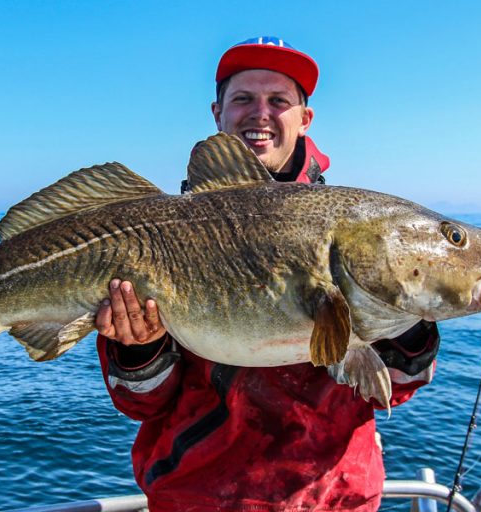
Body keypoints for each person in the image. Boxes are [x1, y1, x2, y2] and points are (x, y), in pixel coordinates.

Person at [94, 36, 439, 512]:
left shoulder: (360, 232)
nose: (260, 113)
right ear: (218, 114)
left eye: (278, 101)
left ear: (305, 119)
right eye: (243, 99)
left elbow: (397, 387)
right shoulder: (156, 234)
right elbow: (142, 404)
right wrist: (140, 346)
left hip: (338, 498)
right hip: (198, 498)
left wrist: (411, 308)